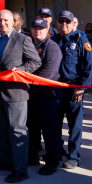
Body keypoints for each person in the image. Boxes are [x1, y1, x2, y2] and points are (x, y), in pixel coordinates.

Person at [0, 9, 41, 183]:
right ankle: (6, 162)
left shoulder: (23, 39)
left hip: (16, 92)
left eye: (5, 20)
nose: (2, 23)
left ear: (13, 22)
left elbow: (35, 61)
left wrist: (20, 71)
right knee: (1, 130)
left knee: (17, 131)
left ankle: (20, 168)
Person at [51, 10, 92, 169]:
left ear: (72, 23)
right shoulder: (53, 40)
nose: (64, 24)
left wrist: (81, 88)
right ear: (56, 23)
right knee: (54, 123)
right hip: (55, 89)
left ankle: (74, 156)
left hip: (73, 89)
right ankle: (57, 151)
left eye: (67, 22)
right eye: (61, 21)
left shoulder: (80, 39)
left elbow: (90, 66)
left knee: (74, 124)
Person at [27, 18, 63, 175]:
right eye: (34, 28)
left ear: (46, 29)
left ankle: (52, 161)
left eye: (40, 28)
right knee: (32, 128)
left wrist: (26, 79)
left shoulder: (52, 47)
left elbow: (48, 72)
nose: (37, 31)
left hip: (47, 95)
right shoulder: (31, 45)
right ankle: (32, 156)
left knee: (50, 130)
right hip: (32, 94)